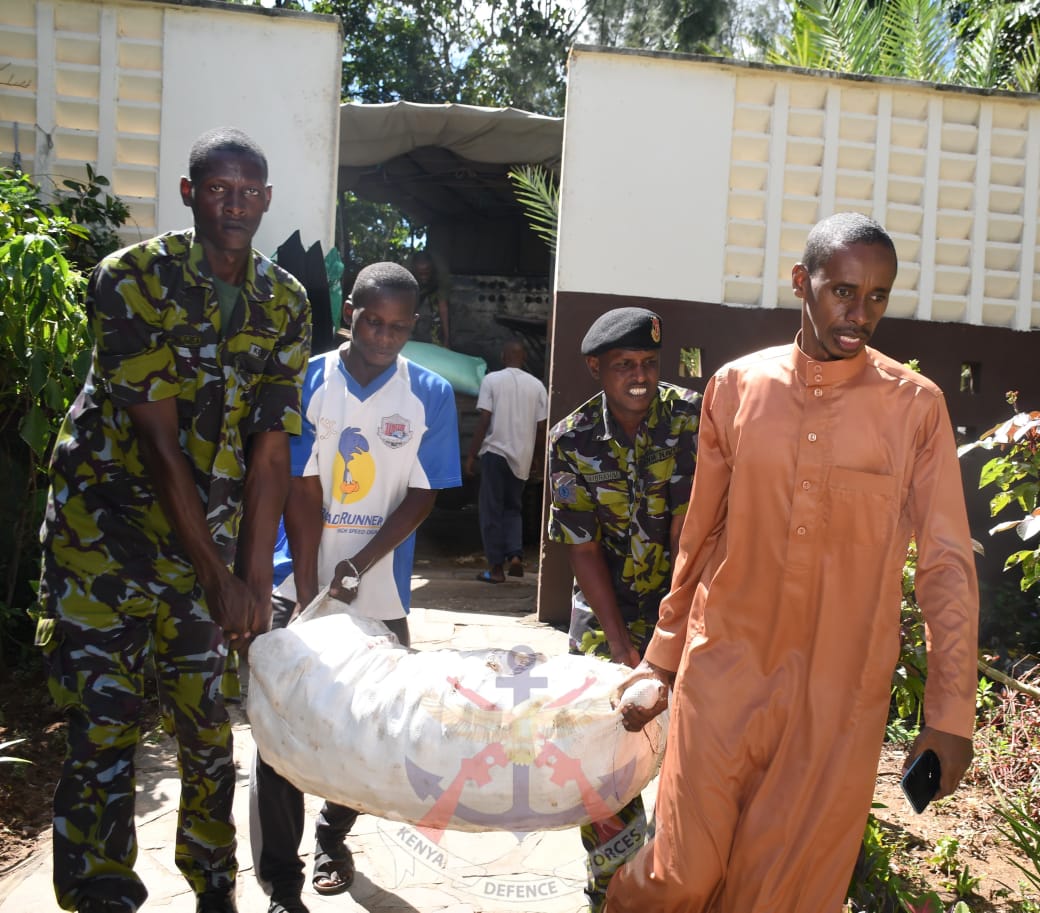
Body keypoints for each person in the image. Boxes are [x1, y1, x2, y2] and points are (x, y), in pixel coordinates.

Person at [606, 212, 979, 913]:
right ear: (802, 283)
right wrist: (662, 657)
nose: (859, 314)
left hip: (839, 695)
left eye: (877, 297)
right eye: (843, 291)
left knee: (780, 896)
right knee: (677, 875)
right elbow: (702, 533)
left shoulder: (915, 409)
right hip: (725, 670)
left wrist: (950, 713)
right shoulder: (738, 387)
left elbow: (946, 566)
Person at [35, 127, 311, 913]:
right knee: (105, 723)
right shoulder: (132, 279)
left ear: (265, 200)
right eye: (217, 190)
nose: (234, 205)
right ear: (189, 195)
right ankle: (102, 894)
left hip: (210, 540)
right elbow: (158, 445)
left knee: (206, 727)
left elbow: (270, 449)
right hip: (106, 536)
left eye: (248, 192)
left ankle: (215, 886)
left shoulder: (285, 301)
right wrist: (217, 574)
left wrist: (254, 580)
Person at [251, 261, 462, 913]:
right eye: (373, 320)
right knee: (280, 732)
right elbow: (299, 484)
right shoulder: (309, 378)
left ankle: (331, 836)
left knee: (372, 728)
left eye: (399, 327)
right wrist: (315, 585)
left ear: (412, 327)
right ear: (350, 312)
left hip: (380, 588)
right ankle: (281, 884)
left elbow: (424, 492)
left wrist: (363, 563)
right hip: (301, 579)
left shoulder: (428, 391)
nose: (383, 336)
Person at [546, 307, 700, 913]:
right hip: (606, 597)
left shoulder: (689, 416)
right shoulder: (571, 438)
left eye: (649, 364)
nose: (640, 376)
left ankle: (676, 871)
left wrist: (670, 634)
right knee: (595, 737)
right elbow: (582, 551)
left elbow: (692, 533)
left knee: (695, 732)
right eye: (624, 366)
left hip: (684, 596)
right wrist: (618, 645)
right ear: (596, 369)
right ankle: (613, 876)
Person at [466, 339, 548, 583]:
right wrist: (537, 458)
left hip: (494, 453)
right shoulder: (537, 386)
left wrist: (471, 453)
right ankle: (515, 556)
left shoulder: (491, 380)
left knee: (491, 510)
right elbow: (542, 427)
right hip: (521, 456)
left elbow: (484, 420)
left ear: (503, 357)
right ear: (523, 358)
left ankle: (496, 569)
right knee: (513, 509)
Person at [407, 249, 451, 347]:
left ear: (431, 269)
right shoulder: (406, 271)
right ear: (414, 270)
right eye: (420, 273)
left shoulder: (441, 273)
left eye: (426, 272)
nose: (423, 277)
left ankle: (439, 343)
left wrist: (447, 337)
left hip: (434, 286)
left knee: (437, 314)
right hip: (414, 287)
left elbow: (443, 307)